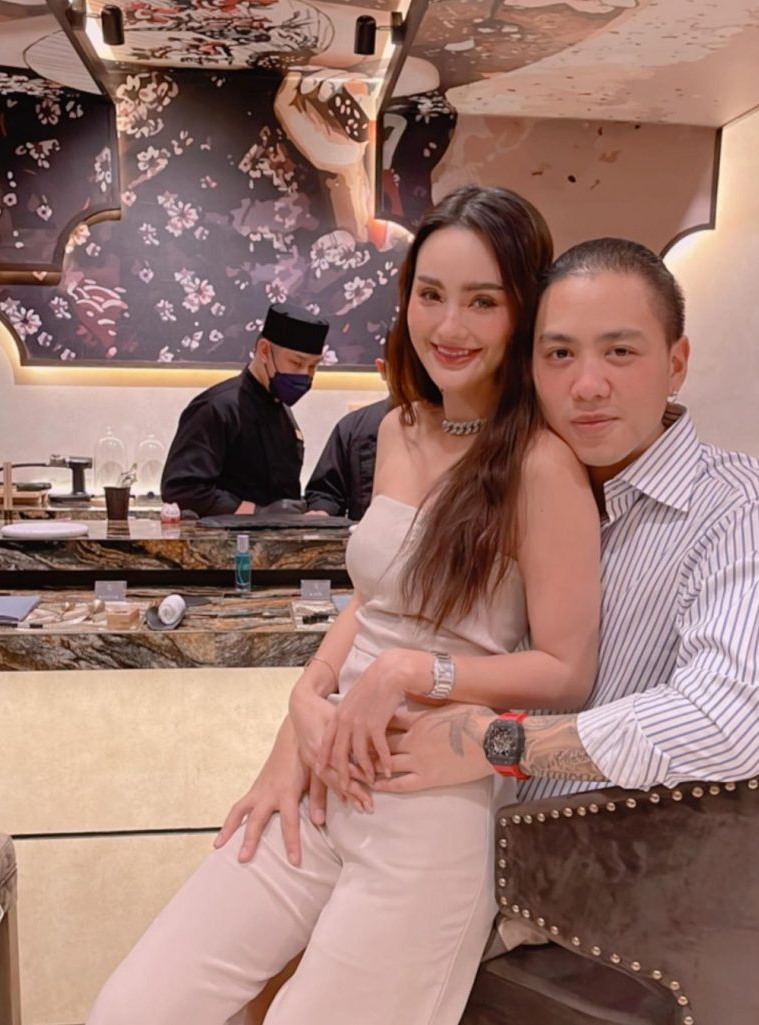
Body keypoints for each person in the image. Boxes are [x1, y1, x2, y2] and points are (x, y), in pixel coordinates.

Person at [216, 236, 759, 987]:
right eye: (559, 354)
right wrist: (301, 719)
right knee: (244, 961)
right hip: (441, 817)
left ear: (676, 362)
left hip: (600, 891)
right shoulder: (516, 474)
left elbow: (727, 722)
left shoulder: (743, 507)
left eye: (621, 352)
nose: (586, 385)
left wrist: (498, 744)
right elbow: (388, 605)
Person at [87, 185, 602, 1025]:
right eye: (431, 294)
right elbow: (375, 598)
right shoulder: (398, 428)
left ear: (524, 310)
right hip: (323, 775)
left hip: (430, 800)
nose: (450, 325)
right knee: (134, 1008)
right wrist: (304, 701)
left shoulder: (541, 465)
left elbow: (567, 669)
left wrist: (411, 673)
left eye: (483, 300)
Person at [160, 304, 329, 517]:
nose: (305, 374)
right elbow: (182, 490)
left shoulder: (283, 411)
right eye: (296, 362)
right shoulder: (216, 407)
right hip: (224, 538)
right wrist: (258, 513)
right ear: (264, 351)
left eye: (313, 366)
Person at [304, 353, 390, 520]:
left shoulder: (445, 424)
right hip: (365, 533)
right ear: (383, 369)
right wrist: (321, 512)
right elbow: (326, 493)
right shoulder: (354, 426)